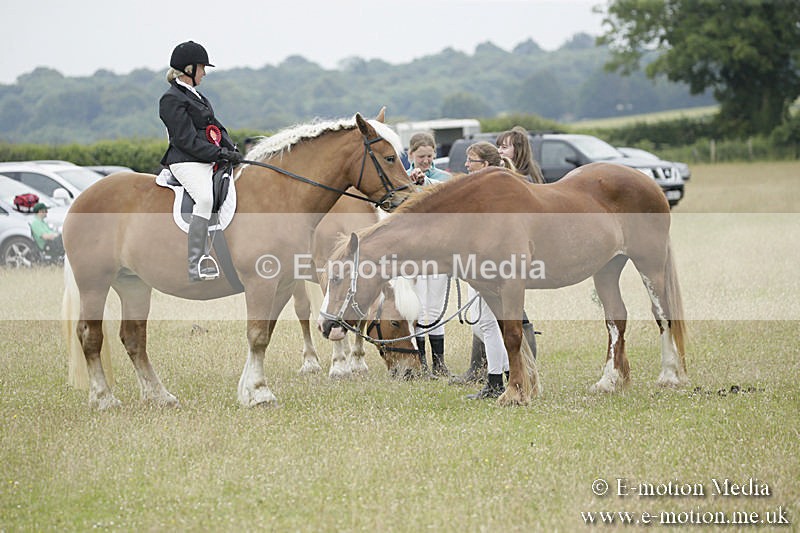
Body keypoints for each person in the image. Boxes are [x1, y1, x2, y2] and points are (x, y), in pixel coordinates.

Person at [451, 140, 540, 388]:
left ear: (485, 165)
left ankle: (496, 380)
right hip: (480, 264)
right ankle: (506, 373)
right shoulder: (480, 190)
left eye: (471, 161)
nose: (466, 165)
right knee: (484, 325)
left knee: (489, 324)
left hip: (489, 265)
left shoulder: (493, 194)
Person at [159, 40, 243, 282]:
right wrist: (218, 154)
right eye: (202, 68)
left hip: (206, 158)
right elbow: (185, 140)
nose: (204, 73)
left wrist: (231, 149)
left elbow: (216, 128)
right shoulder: (171, 99)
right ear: (189, 69)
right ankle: (196, 262)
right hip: (186, 161)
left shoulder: (198, 96)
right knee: (205, 199)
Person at [406, 132, 452, 375]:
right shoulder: (400, 179)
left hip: (438, 249)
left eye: (429, 156)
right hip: (413, 251)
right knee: (418, 307)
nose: (425, 161)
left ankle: (439, 362)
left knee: (435, 307)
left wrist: (425, 182)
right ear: (410, 155)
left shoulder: (443, 178)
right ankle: (421, 362)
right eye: (421, 156)